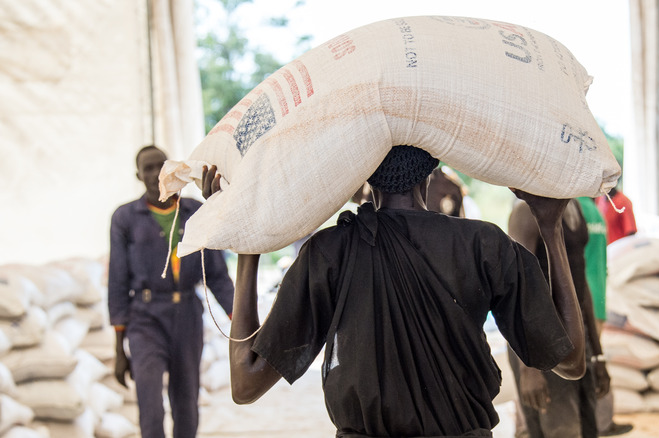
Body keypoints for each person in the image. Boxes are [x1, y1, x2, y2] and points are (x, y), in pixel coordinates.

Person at [202, 145, 587, 437]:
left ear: (363, 170)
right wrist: (549, 228)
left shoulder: (329, 252)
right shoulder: (483, 245)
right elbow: (570, 362)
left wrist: (247, 247)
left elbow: (246, 382)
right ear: (433, 169)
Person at [108, 145, 235, 438]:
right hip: (144, 319)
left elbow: (217, 274)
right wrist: (119, 348)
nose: (154, 174)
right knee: (150, 400)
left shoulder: (195, 211)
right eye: (147, 169)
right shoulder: (125, 218)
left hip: (187, 315)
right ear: (137, 175)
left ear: (172, 170)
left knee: (186, 400)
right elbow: (117, 282)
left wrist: (238, 317)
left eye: (160, 167)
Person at [507, 199, 611, 438]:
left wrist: (597, 353)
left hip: (575, 337)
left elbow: (579, 282)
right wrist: (528, 368)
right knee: (560, 430)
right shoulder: (527, 211)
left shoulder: (574, 207)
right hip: (541, 343)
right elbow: (517, 285)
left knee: (587, 429)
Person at [577, 196, 633, 437]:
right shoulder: (595, 210)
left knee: (584, 365)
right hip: (597, 296)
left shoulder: (572, 209)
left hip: (579, 299)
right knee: (593, 359)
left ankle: (596, 423)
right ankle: (600, 421)